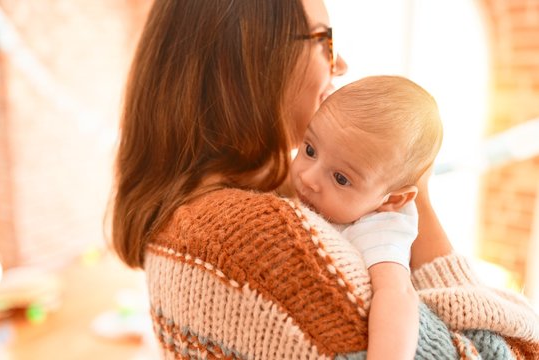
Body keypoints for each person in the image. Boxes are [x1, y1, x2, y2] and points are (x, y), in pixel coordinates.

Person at [110, 0, 539, 358]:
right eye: (323, 41)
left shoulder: (182, 216)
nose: (342, 62)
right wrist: (419, 198)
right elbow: (515, 352)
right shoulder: (261, 242)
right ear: (246, 57)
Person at [291, 75, 444, 359]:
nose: (308, 177)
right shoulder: (312, 186)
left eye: (340, 178)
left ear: (392, 200)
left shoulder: (377, 227)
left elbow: (397, 296)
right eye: (310, 149)